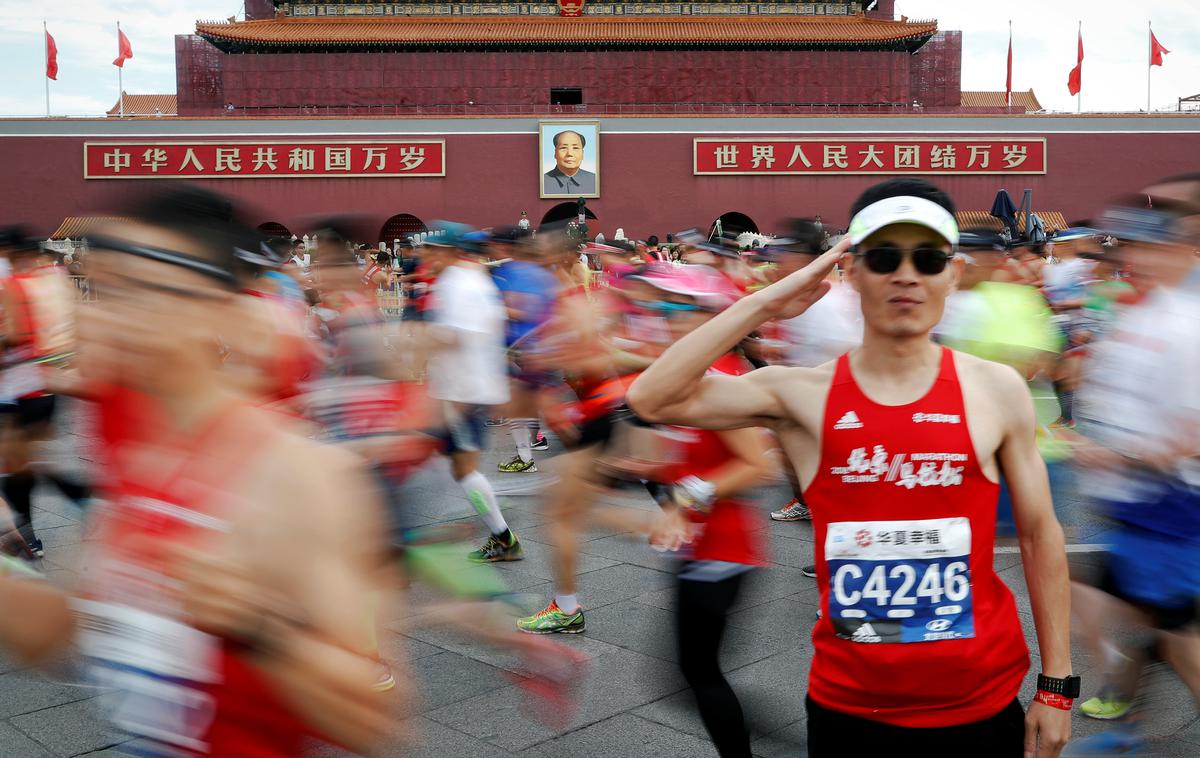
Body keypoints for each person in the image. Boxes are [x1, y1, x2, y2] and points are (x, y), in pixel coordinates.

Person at [629, 178, 1073, 758]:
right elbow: (652, 398)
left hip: (980, 702)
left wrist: (1058, 687)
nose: (907, 274)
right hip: (849, 707)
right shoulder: (804, 395)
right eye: (884, 257)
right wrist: (765, 301)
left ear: (953, 274)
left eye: (929, 258)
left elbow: (1041, 534)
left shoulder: (995, 389)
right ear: (851, 271)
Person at [0, 186, 398, 755]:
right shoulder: (129, 439)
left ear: (214, 312)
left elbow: (373, 720)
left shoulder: (301, 474)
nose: (101, 313)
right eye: (101, 288)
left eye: (136, 292)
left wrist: (259, 629)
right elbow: (54, 636)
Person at [1068, 199, 1200, 744]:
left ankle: (1124, 706)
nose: (1137, 259)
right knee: (1148, 618)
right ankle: (1125, 701)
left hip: (1169, 509)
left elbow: (1191, 435)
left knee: (1179, 636)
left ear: (1182, 254)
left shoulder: (1185, 326)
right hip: (1132, 506)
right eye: (1132, 248)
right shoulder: (1141, 313)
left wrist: (1115, 455)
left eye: (1151, 248)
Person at [422, 225, 522, 562]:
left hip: (461, 390)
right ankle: (496, 528)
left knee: (464, 469)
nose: (427, 256)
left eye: (434, 250)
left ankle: (502, 536)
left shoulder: (458, 283)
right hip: (464, 387)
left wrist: (410, 339)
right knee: (454, 464)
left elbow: (457, 336)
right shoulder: (473, 279)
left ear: (452, 251)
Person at [0, 228, 91, 558]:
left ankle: (27, 536)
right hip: (52, 384)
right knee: (26, 460)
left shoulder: (16, 284)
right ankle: (77, 494)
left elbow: (16, 334)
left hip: (20, 386)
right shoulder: (59, 278)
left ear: (11, 252)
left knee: (16, 464)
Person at [488, 225, 556, 473]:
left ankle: (529, 457)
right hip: (534, 348)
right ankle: (525, 456)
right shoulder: (541, 272)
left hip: (524, 348)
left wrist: (494, 309)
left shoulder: (512, 272)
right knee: (523, 406)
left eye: (496, 243)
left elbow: (526, 310)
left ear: (506, 246)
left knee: (535, 407)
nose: (492, 248)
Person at [543, 130, 596, 196]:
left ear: (582, 154)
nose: (570, 154)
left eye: (575, 148)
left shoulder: (596, 181)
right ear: (555, 153)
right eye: (563, 148)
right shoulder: (542, 182)